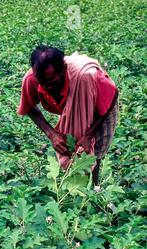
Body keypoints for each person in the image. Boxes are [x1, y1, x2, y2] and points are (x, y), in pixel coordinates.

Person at [17, 45, 119, 186]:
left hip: (101, 105)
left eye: (51, 83)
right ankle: (74, 186)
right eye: (42, 84)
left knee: (95, 152)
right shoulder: (31, 79)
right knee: (70, 147)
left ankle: (94, 187)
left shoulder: (86, 76)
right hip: (73, 106)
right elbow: (29, 107)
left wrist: (89, 135)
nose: (46, 88)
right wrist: (52, 134)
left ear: (64, 70)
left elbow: (113, 95)